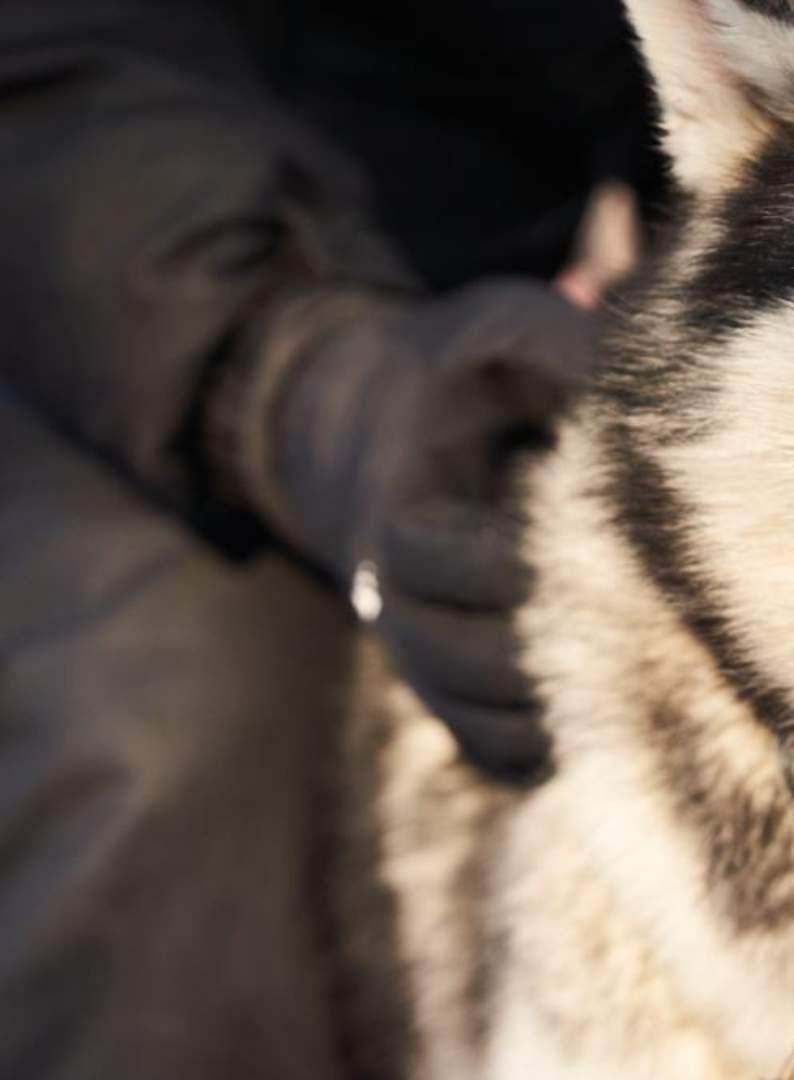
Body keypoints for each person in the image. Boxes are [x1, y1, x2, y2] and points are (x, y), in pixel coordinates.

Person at [0, 1, 664, 1075]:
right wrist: (320, 390)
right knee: (175, 737)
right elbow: (48, 70)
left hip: (516, 256)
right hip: (106, 294)